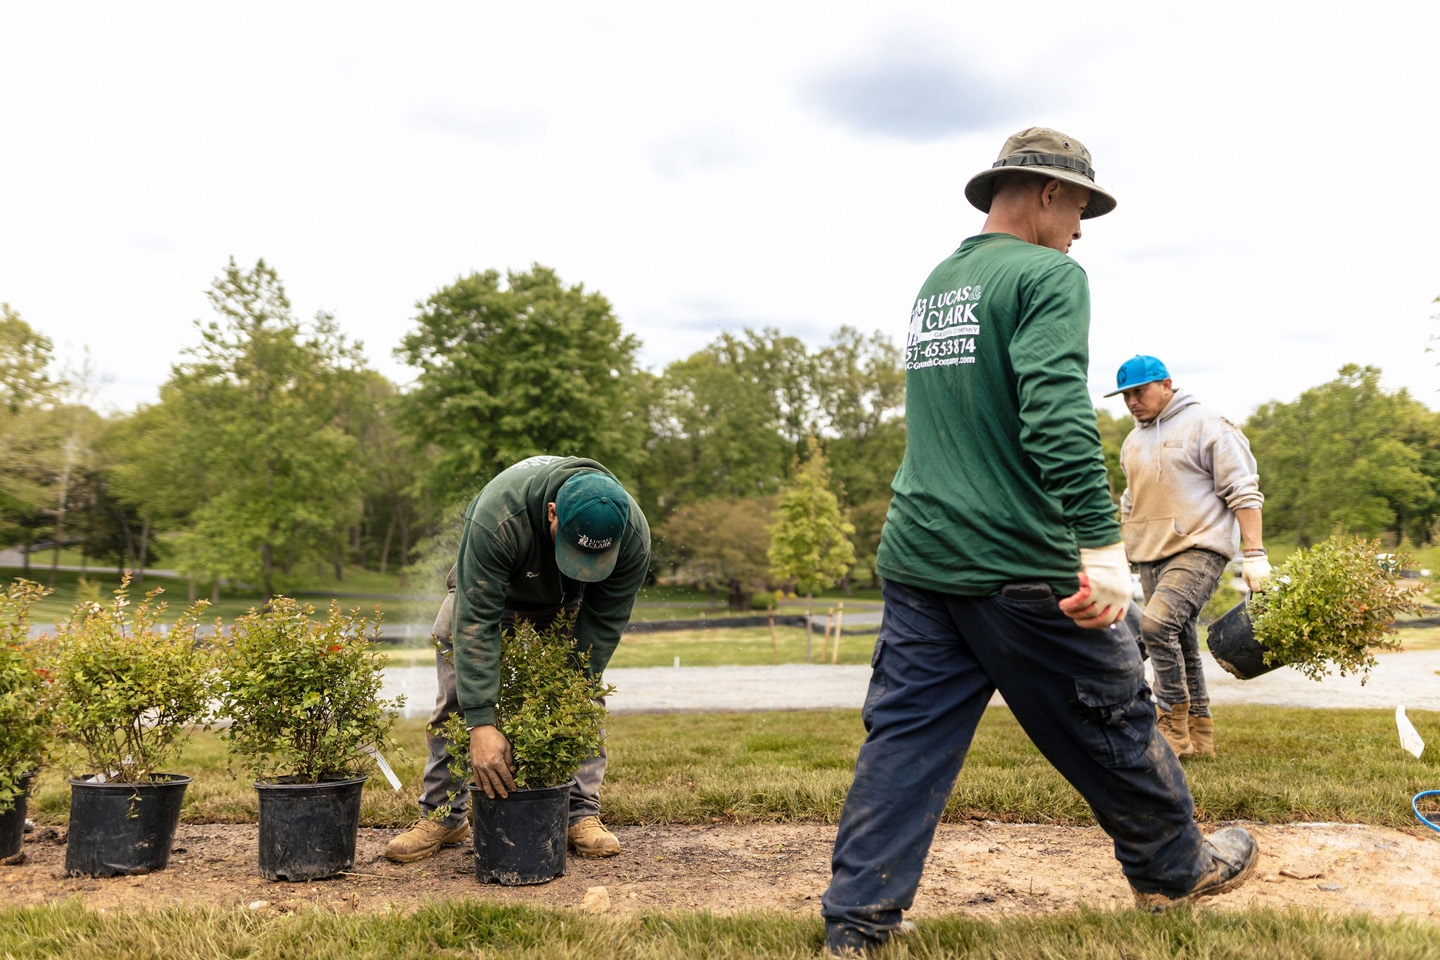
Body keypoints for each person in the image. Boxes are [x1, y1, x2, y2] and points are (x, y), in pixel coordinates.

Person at [820, 128, 1257, 956]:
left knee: (906, 737)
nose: (1082, 229)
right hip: (1021, 562)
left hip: (919, 555)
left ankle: (858, 922)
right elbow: (1053, 412)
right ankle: (1173, 870)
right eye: (1082, 208)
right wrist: (1102, 548)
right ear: (1048, 193)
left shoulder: (941, 281)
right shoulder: (1050, 275)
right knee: (1112, 711)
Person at [384, 455, 650, 864]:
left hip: (566, 604)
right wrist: (481, 721)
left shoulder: (632, 534)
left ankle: (579, 813)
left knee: (581, 699)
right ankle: (443, 815)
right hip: (489, 592)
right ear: (552, 512)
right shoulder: (498, 517)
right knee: (457, 701)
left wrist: (571, 687)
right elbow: (473, 622)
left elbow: (604, 622)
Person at [1107, 355, 1269, 758]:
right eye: (1125, 394)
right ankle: (1200, 734)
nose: (1131, 402)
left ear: (1166, 384)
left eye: (1139, 391)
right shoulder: (1132, 441)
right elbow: (1131, 502)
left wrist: (1255, 553)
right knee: (1178, 638)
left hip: (1200, 547)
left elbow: (1243, 489)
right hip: (1150, 554)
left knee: (1156, 626)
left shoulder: (1208, 425)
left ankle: (1171, 725)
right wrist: (1121, 552)